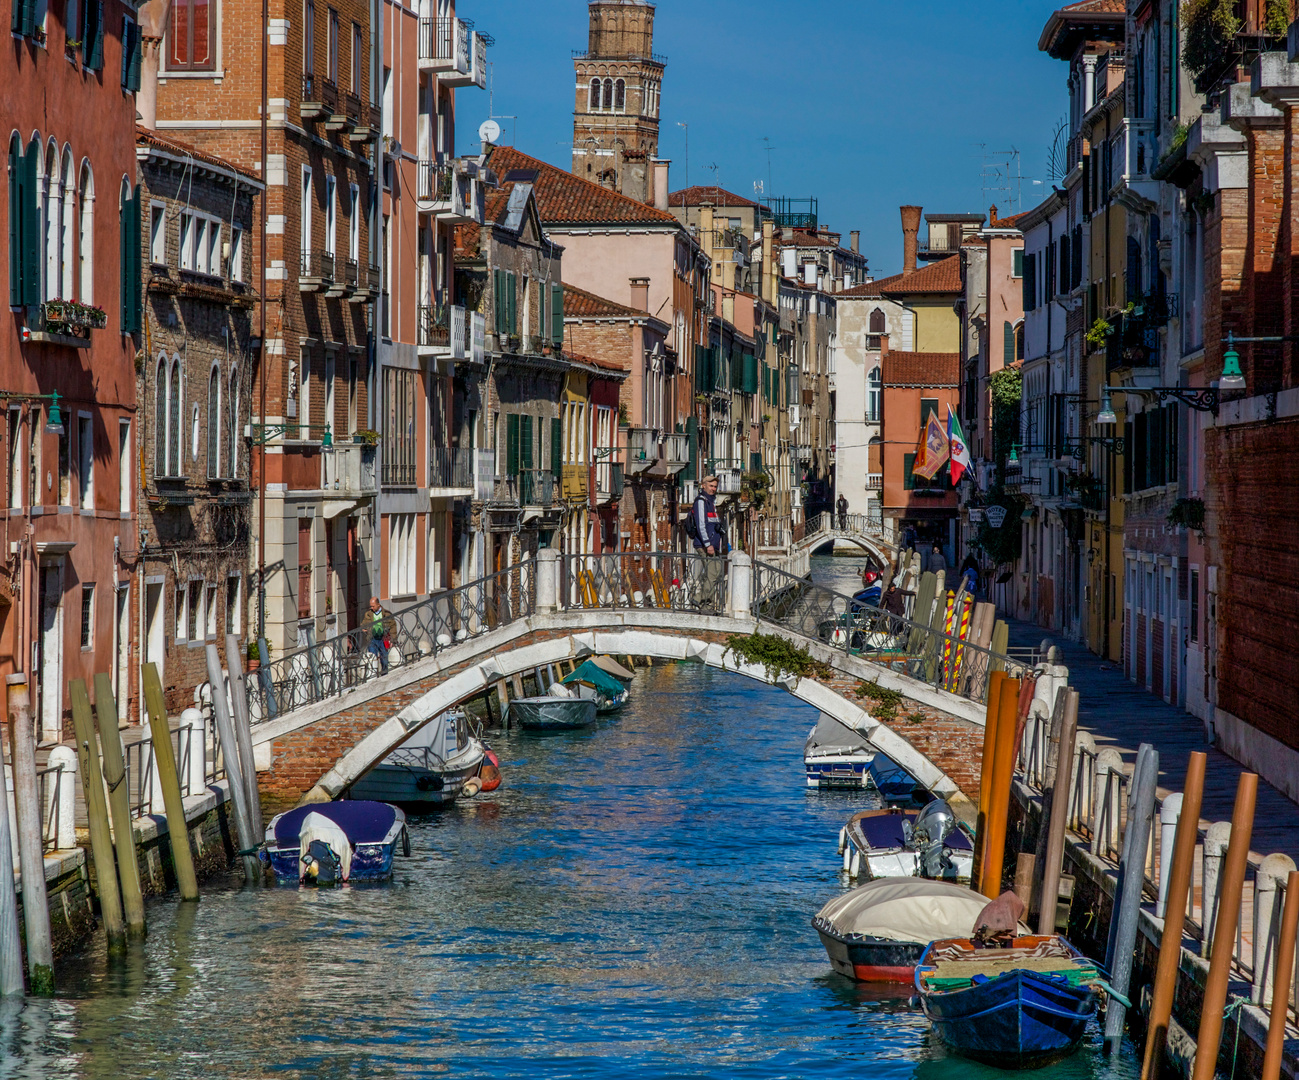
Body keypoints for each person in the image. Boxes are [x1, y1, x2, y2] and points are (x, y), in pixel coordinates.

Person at [691, 474, 725, 612]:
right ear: (703, 485)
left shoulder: (712, 502)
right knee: (712, 574)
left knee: (716, 573)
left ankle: (707, 605)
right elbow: (700, 524)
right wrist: (707, 544)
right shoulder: (701, 501)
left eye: (715, 487)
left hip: (713, 545)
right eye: (711, 486)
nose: (713, 489)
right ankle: (699, 599)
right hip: (705, 546)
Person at [367, 595, 392, 675]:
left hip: (383, 638)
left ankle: (384, 674)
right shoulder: (368, 614)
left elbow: (393, 626)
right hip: (373, 638)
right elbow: (364, 622)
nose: (372, 608)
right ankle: (373, 676)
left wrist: (393, 639)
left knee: (384, 658)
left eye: (373, 606)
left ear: (378, 605)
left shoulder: (386, 614)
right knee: (372, 658)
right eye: (370, 606)